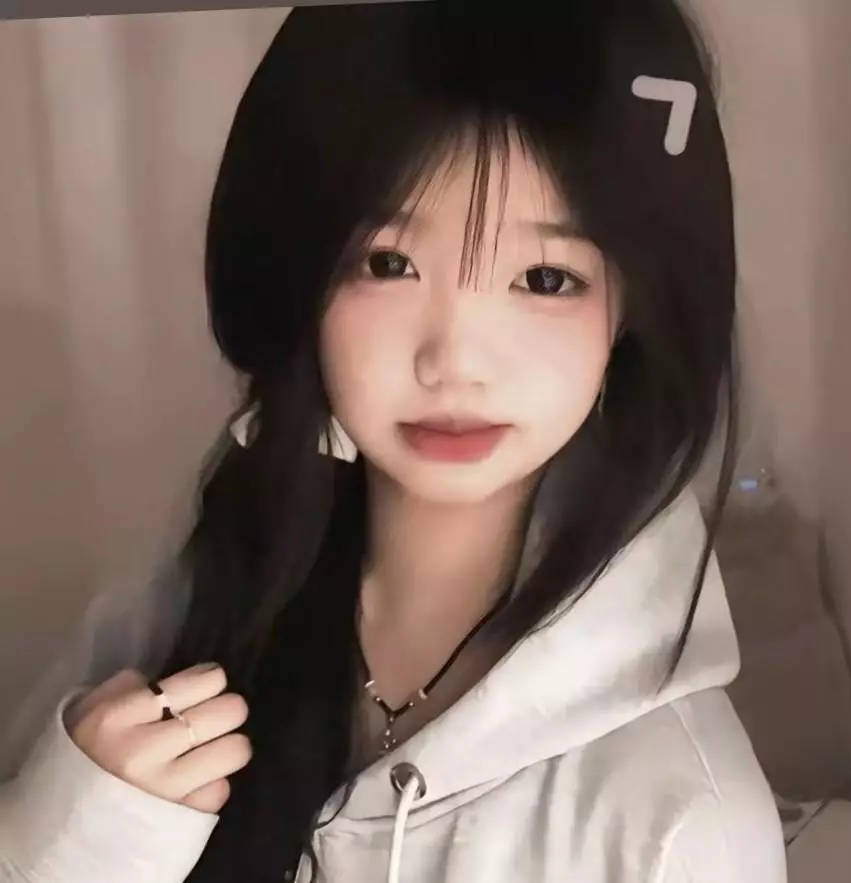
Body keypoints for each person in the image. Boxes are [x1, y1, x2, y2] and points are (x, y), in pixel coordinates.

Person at [0, 2, 788, 881]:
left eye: (543, 277)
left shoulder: (678, 819)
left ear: (631, 310)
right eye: (387, 263)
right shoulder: (191, 603)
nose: (455, 360)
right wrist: (67, 847)